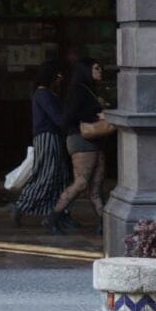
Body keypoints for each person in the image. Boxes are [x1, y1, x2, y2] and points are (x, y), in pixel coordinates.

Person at [46, 58, 113, 234]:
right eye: (96, 68)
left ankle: (103, 225)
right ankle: (53, 217)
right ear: (86, 70)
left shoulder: (89, 89)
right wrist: (96, 116)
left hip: (94, 141)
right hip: (80, 140)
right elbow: (69, 116)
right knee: (82, 183)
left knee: (96, 186)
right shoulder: (78, 90)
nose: (100, 71)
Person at [11, 60, 71, 228]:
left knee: (59, 176)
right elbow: (57, 118)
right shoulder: (44, 95)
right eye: (58, 75)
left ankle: (59, 213)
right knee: (47, 174)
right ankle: (21, 206)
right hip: (48, 137)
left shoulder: (46, 94)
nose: (60, 79)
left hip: (50, 137)